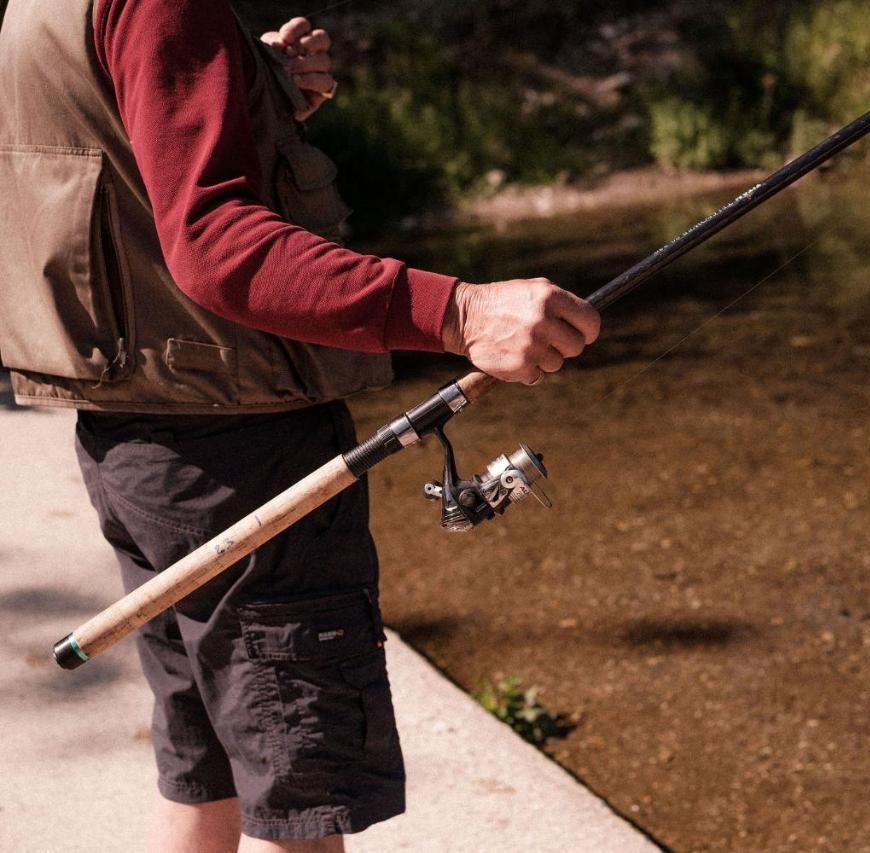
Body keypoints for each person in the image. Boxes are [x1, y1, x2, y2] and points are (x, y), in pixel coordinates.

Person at [0, 1, 600, 851]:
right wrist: (458, 312)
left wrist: (252, 92)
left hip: (137, 444)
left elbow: (106, 139)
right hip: (239, 458)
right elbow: (213, 244)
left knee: (202, 773)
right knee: (299, 805)